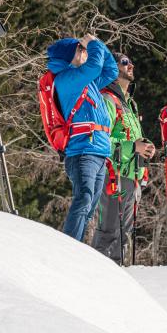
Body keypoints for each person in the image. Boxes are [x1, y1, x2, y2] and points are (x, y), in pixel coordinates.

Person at [47, 34, 118, 242]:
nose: (85, 52)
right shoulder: (66, 78)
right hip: (83, 151)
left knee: (89, 206)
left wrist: (99, 44)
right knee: (84, 199)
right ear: (70, 55)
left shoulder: (87, 81)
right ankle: (69, 247)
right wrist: (94, 44)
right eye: (80, 49)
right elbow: (96, 67)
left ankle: (75, 247)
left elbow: (111, 70)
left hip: (99, 152)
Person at [92, 52, 155, 263]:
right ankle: (96, 277)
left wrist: (145, 147)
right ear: (112, 67)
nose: (131, 65)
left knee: (124, 235)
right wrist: (133, 147)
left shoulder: (130, 103)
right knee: (108, 232)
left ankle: (119, 278)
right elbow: (100, 141)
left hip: (131, 176)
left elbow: (133, 138)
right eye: (125, 62)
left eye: (131, 61)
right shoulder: (107, 100)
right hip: (113, 175)